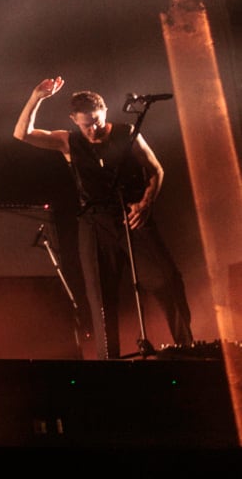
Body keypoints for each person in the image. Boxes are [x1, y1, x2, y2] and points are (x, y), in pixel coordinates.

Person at [14, 78, 193, 357]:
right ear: (74, 119)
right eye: (86, 124)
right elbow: (22, 134)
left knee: (166, 279)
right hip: (94, 221)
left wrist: (146, 203)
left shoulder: (127, 132)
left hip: (133, 215)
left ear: (105, 112)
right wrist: (36, 97)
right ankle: (108, 361)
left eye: (97, 121)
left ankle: (187, 349)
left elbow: (156, 169)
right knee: (100, 296)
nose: (93, 128)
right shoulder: (68, 141)